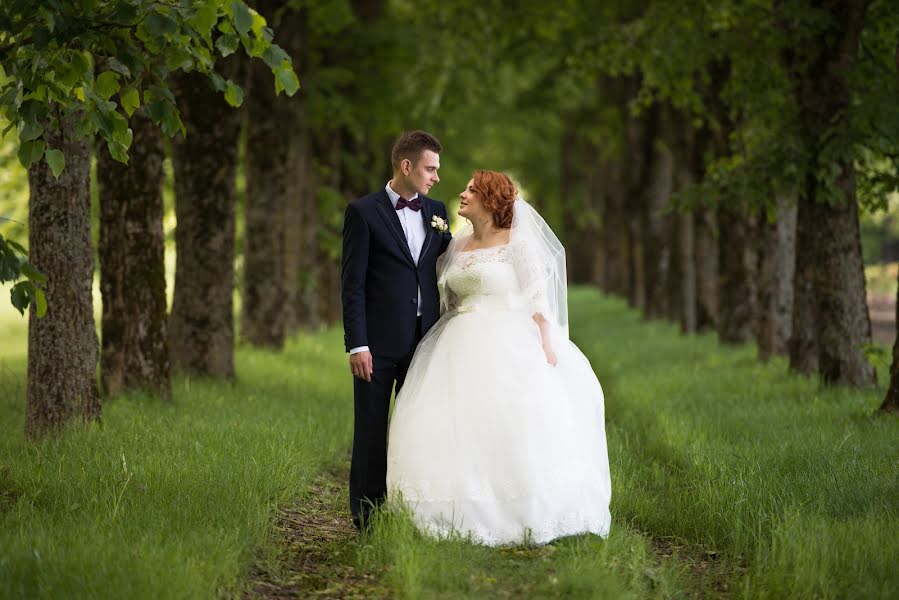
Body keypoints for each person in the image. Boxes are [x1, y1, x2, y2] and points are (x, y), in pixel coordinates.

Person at [386, 170, 611, 546]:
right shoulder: (456, 246)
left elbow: (538, 297)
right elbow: (447, 298)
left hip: (506, 337)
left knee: (509, 420)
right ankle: (455, 505)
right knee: (454, 422)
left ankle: (519, 507)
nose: (462, 193)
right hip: (457, 342)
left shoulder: (516, 245)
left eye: (471, 190)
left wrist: (545, 344)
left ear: (490, 200)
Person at [341, 130, 453, 530]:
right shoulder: (363, 212)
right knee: (370, 430)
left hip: (424, 342)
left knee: (416, 430)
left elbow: (450, 266)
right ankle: (367, 519)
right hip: (377, 345)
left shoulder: (437, 212)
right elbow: (352, 285)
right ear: (406, 166)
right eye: (430, 168)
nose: (436, 177)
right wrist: (358, 344)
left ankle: (412, 512)